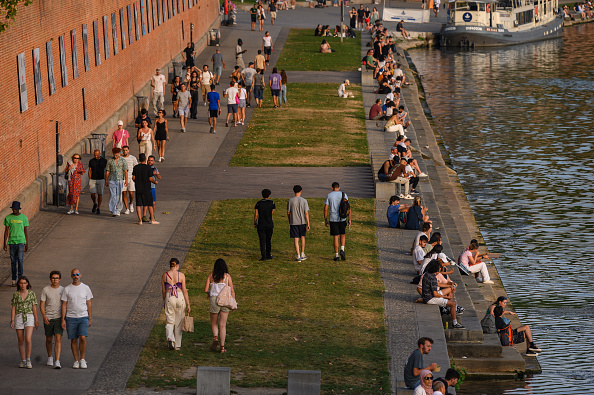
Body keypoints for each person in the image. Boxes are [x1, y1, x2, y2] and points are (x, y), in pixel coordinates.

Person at [61, 268, 93, 369]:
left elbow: (89, 303)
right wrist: (63, 319)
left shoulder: (86, 288)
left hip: (83, 317)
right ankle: (76, 360)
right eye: (74, 275)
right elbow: (64, 305)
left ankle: (82, 359)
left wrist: (90, 318)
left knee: (83, 337)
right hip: (71, 318)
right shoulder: (67, 289)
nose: (76, 276)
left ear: (80, 275)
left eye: (77, 274)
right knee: (73, 340)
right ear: (71, 276)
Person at [204, 258, 235, 353]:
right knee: (223, 325)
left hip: (214, 300)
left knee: (214, 323)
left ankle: (215, 337)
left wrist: (210, 292)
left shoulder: (211, 276)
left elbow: (205, 290)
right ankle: (222, 347)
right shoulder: (227, 277)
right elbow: (232, 290)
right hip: (225, 300)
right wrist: (233, 302)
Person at [422, 260, 465, 328]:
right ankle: (455, 323)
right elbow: (435, 294)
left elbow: (437, 284)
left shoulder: (427, 274)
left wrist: (449, 286)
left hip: (427, 295)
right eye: (439, 268)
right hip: (430, 298)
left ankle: (447, 307)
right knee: (453, 304)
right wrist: (446, 298)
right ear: (437, 269)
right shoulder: (433, 277)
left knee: (449, 290)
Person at [162, 258, 191, 350]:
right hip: (180, 297)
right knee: (179, 322)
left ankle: (170, 337)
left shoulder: (164, 276)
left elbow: (163, 291)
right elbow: (185, 290)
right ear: (177, 265)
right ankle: (177, 345)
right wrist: (188, 303)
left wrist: (164, 301)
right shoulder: (181, 275)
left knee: (170, 320)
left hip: (169, 297)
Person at [10, 275, 38, 369]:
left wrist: (36, 320)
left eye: (24, 283)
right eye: (21, 283)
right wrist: (12, 320)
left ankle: (28, 358)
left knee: (28, 339)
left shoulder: (31, 294)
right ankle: (23, 360)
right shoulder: (16, 294)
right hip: (19, 316)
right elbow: (13, 307)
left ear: (27, 284)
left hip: (29, 316)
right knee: (21, 340)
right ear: (19, 284)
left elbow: (34, 307)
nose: (23, 285)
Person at [40, 271, 64, 369]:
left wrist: (64, 318)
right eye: (53, 278)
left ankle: (57, 361)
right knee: (49, 338)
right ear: (50, 279)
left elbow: (65, 304)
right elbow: (42, 304)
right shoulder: (45, 289)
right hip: (48, 317)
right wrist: (44, 316)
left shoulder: (63, 290)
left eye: (57, 278)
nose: (55, 280)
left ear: (60, 279)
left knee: (58, 338)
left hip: (58, 317)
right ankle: (50, 357)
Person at [324, 182, 351, 262]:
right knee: (342, 234)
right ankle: (342, 249)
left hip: (333, 218)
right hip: (342, 218)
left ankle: (336, 256)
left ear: (332, 188)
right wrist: (349, 219)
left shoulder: (329, 195)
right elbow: (348, 207)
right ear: (339, 187)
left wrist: (325, 219)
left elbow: (325, 208)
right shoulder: (344, 194)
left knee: (336, 236)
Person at [4, 202, 29, 287]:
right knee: (13, 261)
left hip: (21, 242)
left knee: (20, 260)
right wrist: (5, 243)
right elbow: (6, 231)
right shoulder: (8, 218)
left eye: (15, 209)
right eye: (13, 209)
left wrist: (26, 243)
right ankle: (13, 279)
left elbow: (25, 231)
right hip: (12, 242)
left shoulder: (24, 218)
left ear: (19, 209)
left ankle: (20, 279)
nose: (14, 210)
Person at [132, 153, 159, 225]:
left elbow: (133, 178)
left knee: (138, 205)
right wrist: (155, 182)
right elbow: (150, 178)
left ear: (139, 159)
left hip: (138, 188)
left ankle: (140, 220)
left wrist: (137, 181)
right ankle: (152, 219)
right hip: (146, 188)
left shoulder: (136, 167)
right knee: (150, 204)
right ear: (145, 159)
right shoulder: (148, 168)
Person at [287, 185, 310, 263]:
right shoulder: (304, 200)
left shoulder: (290, 200)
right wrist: (308, 223)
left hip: (294, 222)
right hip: (302, 222)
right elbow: (306, 213)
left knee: (296, 239)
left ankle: (298, 255)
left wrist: (289, 220)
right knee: (302, 237)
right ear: (301, 191)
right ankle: (302, 253)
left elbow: (288, 212)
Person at [105, 147, 128, 217]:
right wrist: (106, 180)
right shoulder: (110, 161)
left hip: (120, 180)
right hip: (112, 179)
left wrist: (126, 180)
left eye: (117, 155)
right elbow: (107, 171)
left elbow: (125, 171)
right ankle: (113, 210)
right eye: (114, 155)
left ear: (119, 154)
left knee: (119, 195)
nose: (115, 156)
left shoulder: (123, 161)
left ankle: (118, 209)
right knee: (113, 195)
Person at [254, 188, 275, 261]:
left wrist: (255, 222)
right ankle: (268, 254)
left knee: (262, 241)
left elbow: (256, 214)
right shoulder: (272, 203)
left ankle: (263, 256)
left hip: (261, 224)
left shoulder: (258, 203)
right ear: (269, 195)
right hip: (269, 224)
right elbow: (272, 212)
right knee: (268, 240)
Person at [88, 149, 107, 215]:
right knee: (92, 193)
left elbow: (106, 170)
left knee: (100, 194)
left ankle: (98, 207)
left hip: (101, 179)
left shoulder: (104, 161)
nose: (95, 156)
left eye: (97, 155)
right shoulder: (91, 161)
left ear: (100, 154)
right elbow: (90, 170)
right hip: (93, 179)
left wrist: (106, 179)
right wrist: (89, 178)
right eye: (94, 155)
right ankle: (95, 203)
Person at [120, 145, 138, 215]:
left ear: (128, 150)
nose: (125, 152)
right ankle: (127, 208)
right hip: (123, 178)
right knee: (124, 193)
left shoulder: (132, 158)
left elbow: (136, 167)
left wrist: (135, 176)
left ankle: (131, 203)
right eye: (124, 150)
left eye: (126, 150)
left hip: (131, 178)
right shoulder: (120, 158)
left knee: (131, 193)